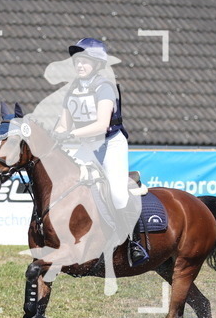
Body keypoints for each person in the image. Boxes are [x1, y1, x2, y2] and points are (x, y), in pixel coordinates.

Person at [52, 38, 148, 266]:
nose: (80, 65)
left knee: (116, 193)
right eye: (78, 61)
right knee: (67, 183)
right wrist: (54, 136)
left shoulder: (104, 87)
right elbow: (63, 125)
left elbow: (102, 125)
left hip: (110, 144)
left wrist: (70, 135)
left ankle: (134, 243)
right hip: (87, 147)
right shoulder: (72, 89)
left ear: (96, 64)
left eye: (85, 61)